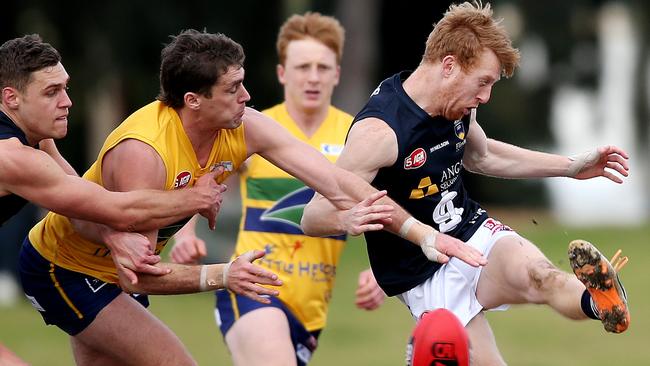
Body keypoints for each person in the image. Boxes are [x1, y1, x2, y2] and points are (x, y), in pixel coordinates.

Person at [19, 29, 486, 366]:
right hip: (67, 268)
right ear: (193, 100)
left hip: (111, 274)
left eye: (243, 81)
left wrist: (420, 233)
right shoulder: (146, 154)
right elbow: (140, 275)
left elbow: (334, 180)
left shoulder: (244, 126)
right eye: (232, 88)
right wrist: (225, 274)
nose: (247, 94)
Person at [301, 2, 631, 364]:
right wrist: (346, 220)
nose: (485, 96)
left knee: (540, 276)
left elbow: (483, 156)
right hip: (425, 275)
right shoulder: (380, 133)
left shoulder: (459, 104)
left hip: (472, 234)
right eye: (483, 82)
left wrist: (570, 167)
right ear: (449, 66)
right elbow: (314, 216)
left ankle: (602, 302)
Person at [170, 13, 386, 366]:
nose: (313, 77)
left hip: (311, 308)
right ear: (283, 73)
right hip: (251, 287)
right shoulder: (248, 128)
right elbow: (195, 178)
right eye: (302, 67)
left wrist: (382, 272)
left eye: (322, 67)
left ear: (337, 74)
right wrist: (185, 234)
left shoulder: (358, 137)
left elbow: (385, 204)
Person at [0, 33, 227, 366]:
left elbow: (76, 198)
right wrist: (196, 196)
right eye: (51, 92)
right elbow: (122, 208)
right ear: (11, 97)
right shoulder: (14, 157)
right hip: (51, 263)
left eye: (65, 88)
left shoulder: (35, 138)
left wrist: (112, 236)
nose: (67, 101)